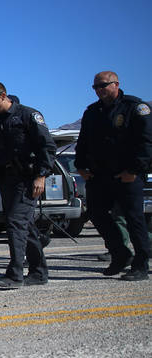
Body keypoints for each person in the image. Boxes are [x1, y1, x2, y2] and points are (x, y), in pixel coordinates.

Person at [0, 81, 56, 288]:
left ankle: (15, 274)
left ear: (3, 96)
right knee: (25, 227)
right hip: (6, 180)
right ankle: (38, 272)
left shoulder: (28, 116)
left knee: (14, 223)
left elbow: (46, 147)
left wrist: (41, 176)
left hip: (27, 179)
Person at [75, 71, 151, 281]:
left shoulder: (134, 108)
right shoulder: (92, 112)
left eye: (103, 86)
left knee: (134, 220)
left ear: (116, 84)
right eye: (95, 87)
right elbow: (83, 141)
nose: (99, 90)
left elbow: (146, 142)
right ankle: (120, 253)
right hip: (99, 175)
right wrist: (80, 166)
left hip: (127, 174)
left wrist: (135, 170)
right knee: (96, 214)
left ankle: (141, 264)